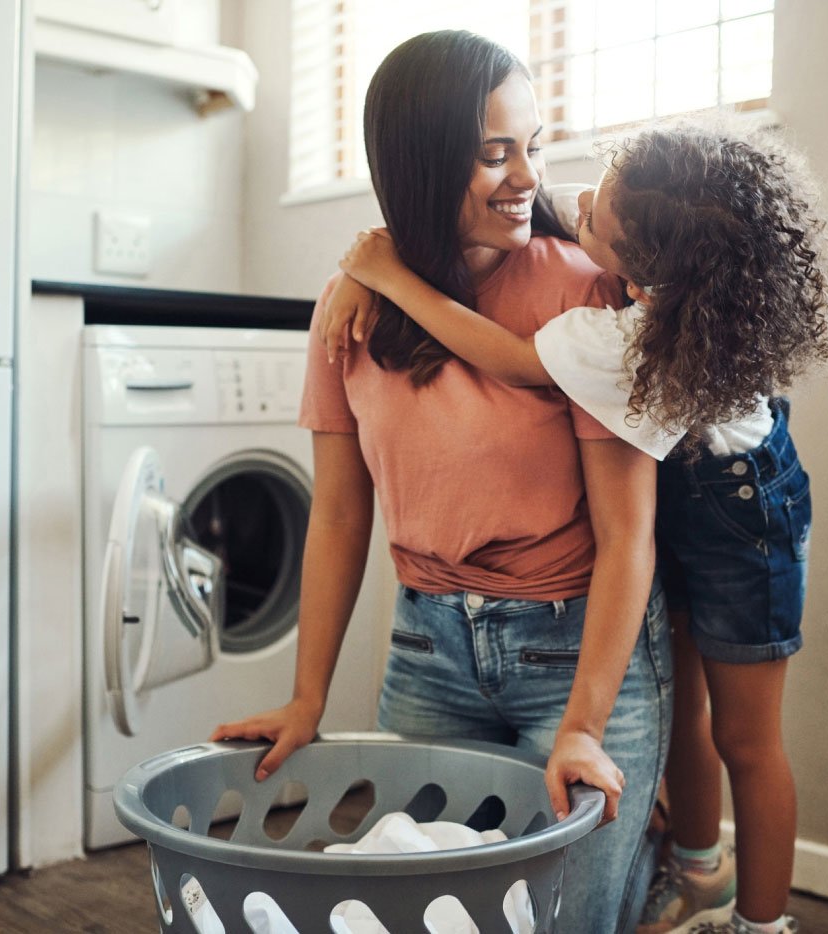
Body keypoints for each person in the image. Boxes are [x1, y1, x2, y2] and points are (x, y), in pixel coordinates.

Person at [211, 30, 672, 934]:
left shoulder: (582, 293)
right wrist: (308, 698)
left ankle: (652, 872)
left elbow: (629, 535)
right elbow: (341, 514)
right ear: (421, 162)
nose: (526, 177)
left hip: (573, 651)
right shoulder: (350, 306)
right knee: (428, 916)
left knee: (567, 920)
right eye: (494, 152)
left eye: (533, 146)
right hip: (428, 650)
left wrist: (583, 722)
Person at [326, 119, 828, 934]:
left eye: (596, 215)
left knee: (748, 736)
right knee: (685, 705)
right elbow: (446, 201)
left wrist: (387, 278)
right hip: (672, 490)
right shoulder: (632, 220)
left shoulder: (620, 335)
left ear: (634, 267)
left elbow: (511, 359)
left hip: (744, 513)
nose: (577, 201)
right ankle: (699, 869)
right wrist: (373, 257)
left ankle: (762, 925)